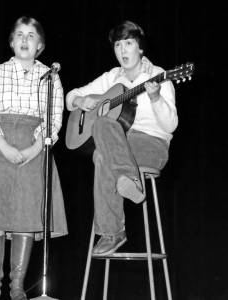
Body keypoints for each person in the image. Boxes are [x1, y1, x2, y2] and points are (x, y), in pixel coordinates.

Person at [0, 16, 67, 300]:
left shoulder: (51, 78)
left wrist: (35, 149)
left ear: (40, 45)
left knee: (25, 215)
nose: (24, 40)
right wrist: (4, 146)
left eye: (31, 36)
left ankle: (17, 286)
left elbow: (54, 119)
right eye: (19, 34)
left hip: (34, 148)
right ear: (11, 41)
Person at [66, 20, 178, 256]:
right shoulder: (112, 77)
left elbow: (170, 125)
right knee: (104, 127)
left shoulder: (158, 76)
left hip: (151, 144)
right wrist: (80, 101)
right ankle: (128, 178)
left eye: (128, 43)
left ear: (140, 48)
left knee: (101, 155)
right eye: (118, 45)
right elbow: (71, 95)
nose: (123, 50)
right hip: (119, 143)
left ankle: (112, 232)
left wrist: (156, 98)